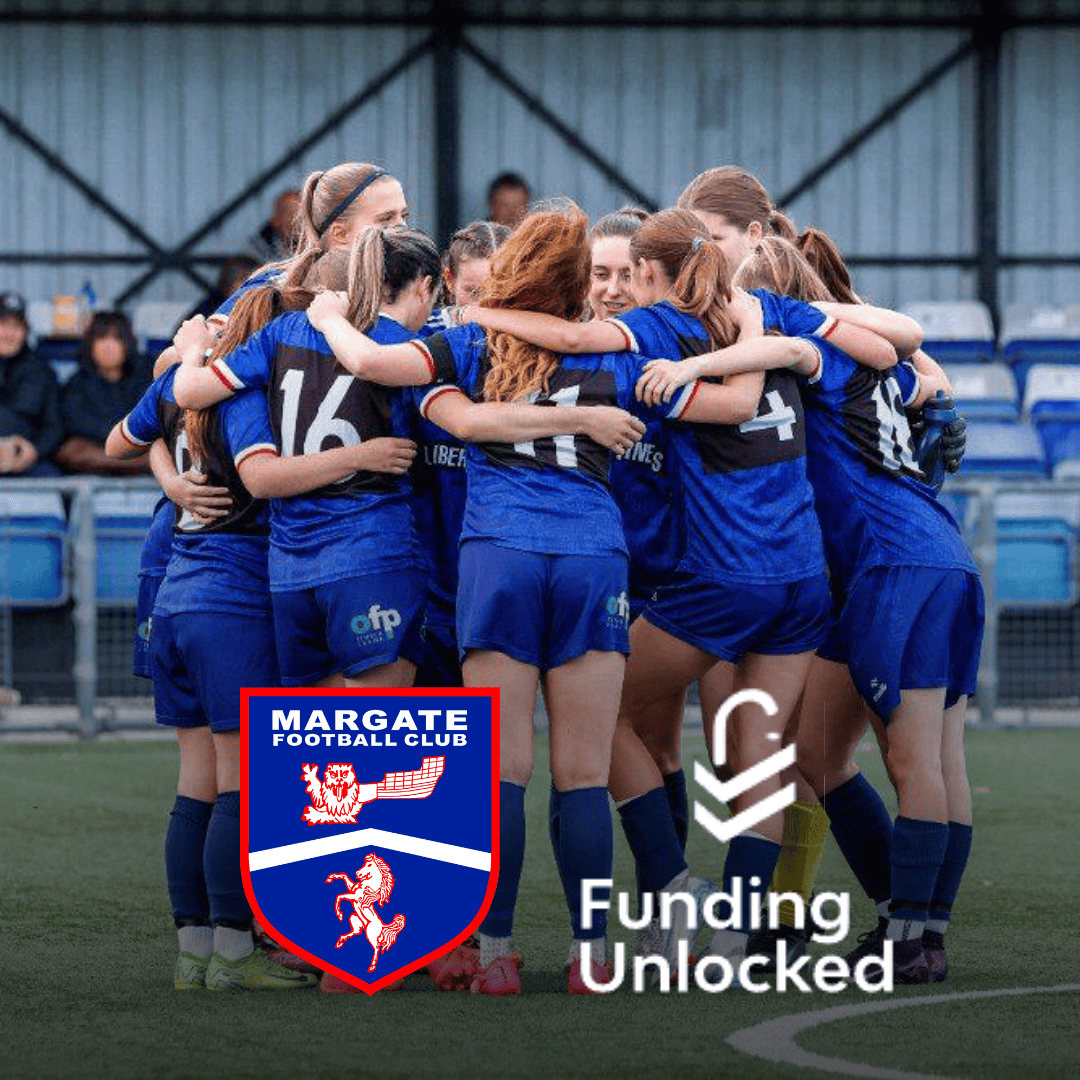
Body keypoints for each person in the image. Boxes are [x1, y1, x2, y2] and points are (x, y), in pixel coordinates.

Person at [301, 203, 841, 993]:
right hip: (594, 558)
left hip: (499, 558)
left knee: (503, 774)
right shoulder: (622, 360)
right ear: (577, 282)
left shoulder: (465, 340)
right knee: (585, 771)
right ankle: (592, 956)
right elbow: (726, 407)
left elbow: (398, 379)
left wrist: (322, 313)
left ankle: (497, 956)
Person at [454, 207, 900, 969]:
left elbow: (570, 343)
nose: (616, 286)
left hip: (719, 582)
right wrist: (887, 372)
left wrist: (476, 308)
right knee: (752, 757)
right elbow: (893, 345)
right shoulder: (764, 316)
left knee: (597, 721)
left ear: (655, 274)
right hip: (796, 580)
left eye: (628, 272)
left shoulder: (655, 338)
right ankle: (736, 937)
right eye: (600, 275)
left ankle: (667, 889)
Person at [643, 235, 982, 984]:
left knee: (913, 758)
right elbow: (918, 364)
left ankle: (907, 934)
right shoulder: (880, 361)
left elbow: (790, 355)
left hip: (892, 562)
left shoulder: (807, 348)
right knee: (897, 755)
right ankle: (922, 930)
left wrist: (692, 364)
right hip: (937, 553)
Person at [104, 363, 316, 993]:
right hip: (232, 603)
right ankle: (232, 951)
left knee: (195, 783)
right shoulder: (259, 392)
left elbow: (124, 438)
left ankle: (192, 954)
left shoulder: (183, 377)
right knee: (239, 787)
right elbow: (269, 478)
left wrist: (170, 480)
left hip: (177, 595)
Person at [55, 312, 152, 475]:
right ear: (91, 345)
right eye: (101, 338)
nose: (108, 345)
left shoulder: (146, 379)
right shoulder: (76, 385)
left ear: (127, 344)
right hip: (93, 469)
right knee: (71, 449)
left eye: (117, 339)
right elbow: (73, 427)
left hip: (135, 460)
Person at [0, 290, 63, 476]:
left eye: (17, 327)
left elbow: (55, 426)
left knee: (50, 477)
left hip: (25, 464)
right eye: (3, 325)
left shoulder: (42, 372)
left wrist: (34, 451)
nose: (9, 334)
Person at [248, 189, 301, 264]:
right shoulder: (256, 248)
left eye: (301, 215)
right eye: (290, 214)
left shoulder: (313, 243)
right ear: (275, 219)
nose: (297, 221)